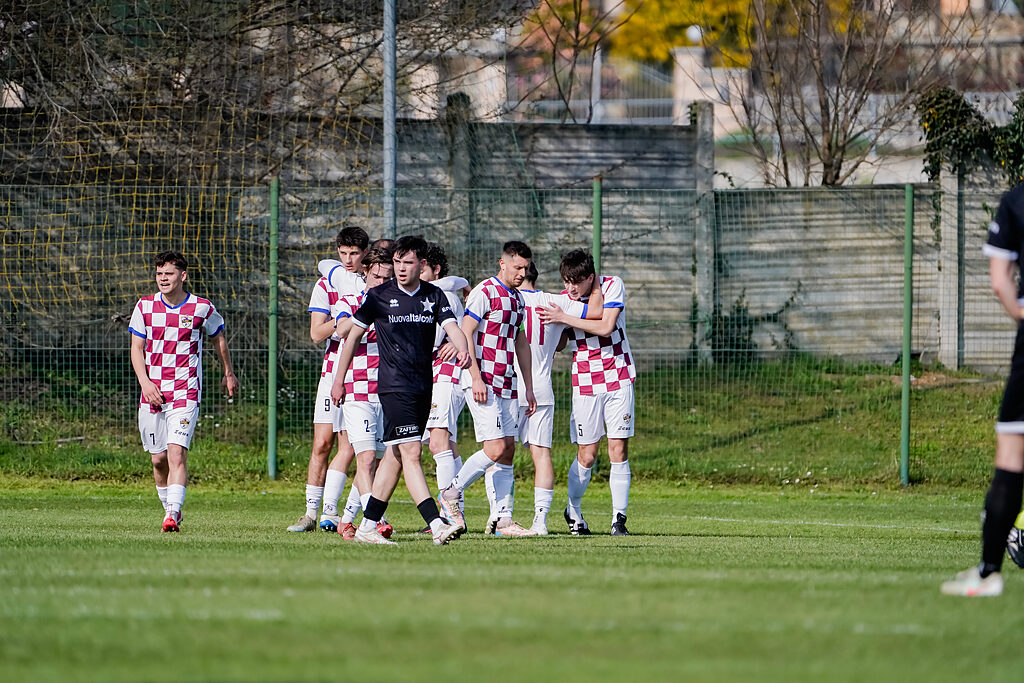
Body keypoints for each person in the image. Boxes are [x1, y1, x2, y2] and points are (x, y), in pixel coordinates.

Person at [331, 234, 470, 545]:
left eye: (407, 262)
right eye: (397, 262)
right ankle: (437, 524)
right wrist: (339, 380)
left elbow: (454, 329)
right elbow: (351, 338)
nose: (401, 268)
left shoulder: (434, 296)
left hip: (423, 386)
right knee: (412, 452)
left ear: (422, 264)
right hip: (394, 386)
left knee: (394, 456)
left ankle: (367, 527)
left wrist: (463, 349)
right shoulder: (379, 296)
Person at [942, 185, 1024, 596]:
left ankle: (989, 572)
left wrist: (1020, 313)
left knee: (1011, 453)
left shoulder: (1017, 201)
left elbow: (999, 282)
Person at [484, 260, 602, 535]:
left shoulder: (503, 298)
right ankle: (540, 522)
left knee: (500, 453)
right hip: (540, 389)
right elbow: (596, 312)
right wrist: (595, 280)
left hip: (508, 386)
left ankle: (500, 516)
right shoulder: (555, 302)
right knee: (541, 455)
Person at [129, 250, 239, 532]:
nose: (163, 278)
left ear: (183, 276)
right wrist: (145, 383)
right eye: (159, 274)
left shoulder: (201, 308)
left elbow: (218, 339)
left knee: (176, 453)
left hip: (185, 391)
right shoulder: (144, 306)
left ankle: (172, 513)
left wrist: (228, 372)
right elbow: (136, 349)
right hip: (152, 392)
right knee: (158, 460)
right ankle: (170, 509)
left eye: (169, 273)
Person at [438, 241, 537, 536]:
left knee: (507, 450)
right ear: (502, 263)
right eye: (517, 267)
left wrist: (528, 387)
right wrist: (475, 376)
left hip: (507, 381)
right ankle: (451, 493)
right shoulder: (485, 291)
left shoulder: (518, 299)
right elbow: (465, 332)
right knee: (494, 448)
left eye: (526, 268)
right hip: (482, 380)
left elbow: (520, 342)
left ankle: (503, 520)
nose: (522, 273)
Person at [539, 249, 635, 536]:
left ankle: (619, 519)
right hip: (585, 383)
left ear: (590, 277)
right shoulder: (563, 301)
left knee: (618, 448)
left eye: (576, 282)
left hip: (618, 376)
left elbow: (606, 326)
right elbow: (559, 344)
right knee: (588, 454)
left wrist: (566, 317)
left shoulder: (612, 284)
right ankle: (574, 509)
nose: (570, 288)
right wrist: (555, 327)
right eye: (566, 281)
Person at [289, 226, 368, 533]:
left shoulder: (372, 283)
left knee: (352, 445)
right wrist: (344, 321)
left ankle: (339, 513)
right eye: (343, 253)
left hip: (363, 372)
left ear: (364, 253)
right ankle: (310, 513)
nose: (348, 259)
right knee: (322, 443)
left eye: (354, 253)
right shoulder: (326, 284)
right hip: (332, 371)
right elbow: (316, 333)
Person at [329, 246, 395, 540]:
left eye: (387, 278)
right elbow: (343, 330)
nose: (381, 282)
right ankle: (375, 519)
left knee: (375, 463)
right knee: (365, 458)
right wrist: (367, 311)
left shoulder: (397, 306)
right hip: (356, 388)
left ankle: (346, 520)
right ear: (365, 272)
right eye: (377, 277)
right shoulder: (351, 301)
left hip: (388, 390)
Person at [420, 242, 471, 522]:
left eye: (422, 268)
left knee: (438, 443)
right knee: (446, 444)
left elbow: (447, 333)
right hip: (435, 373)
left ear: (436, 269)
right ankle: (455, 511)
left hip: (448, 374)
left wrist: (456, 340)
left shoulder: (444, 296)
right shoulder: (439, 291)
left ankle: (449, 513)